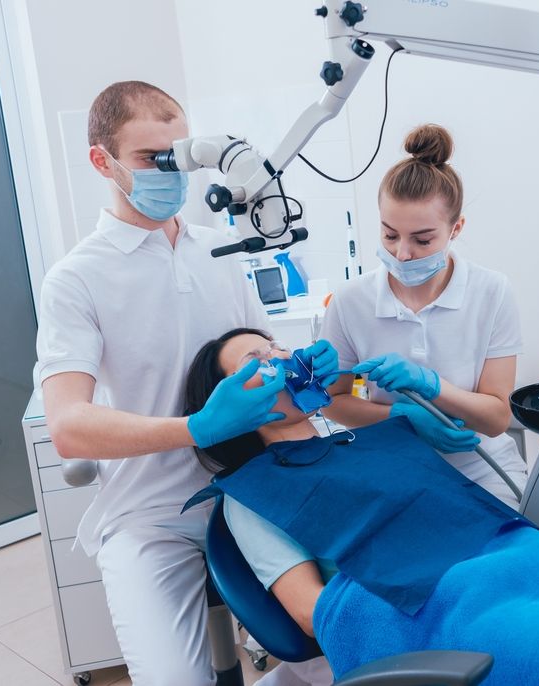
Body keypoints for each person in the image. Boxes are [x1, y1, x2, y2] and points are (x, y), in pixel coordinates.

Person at [35, 81, 337, 686]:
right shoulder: (77, 278)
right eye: (151, 159)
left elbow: (261, 357)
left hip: (256, 482)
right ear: (102, 161)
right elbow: (67, 426)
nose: (170, 172)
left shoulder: (223, 251)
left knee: (346, 650)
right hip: (151, 511)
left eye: (178, 156)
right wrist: (196, 428)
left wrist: (305, 368)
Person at [183, 329, 539, 686]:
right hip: (448, 608)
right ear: (228, 403)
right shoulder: (250, 496)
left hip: (533, 566)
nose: (279, 356)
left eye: (275, 345)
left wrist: (416, 403)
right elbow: (312, 613)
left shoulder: (366, 440)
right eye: (256, 358)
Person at [320, 124, 525, 509]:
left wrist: (432, 386)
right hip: (392, 468)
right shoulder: (350, 301)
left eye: (423, 239)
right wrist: (402, 417)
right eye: (389, 235)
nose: (402, 253)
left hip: (483, 471)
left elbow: (497, 418)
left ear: (456, 228)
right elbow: (333, 401)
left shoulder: (491, 291)